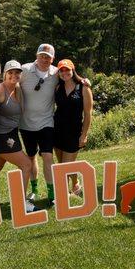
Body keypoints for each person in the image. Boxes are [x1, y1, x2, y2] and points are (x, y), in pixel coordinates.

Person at [0, 60, 38, 212]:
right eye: (10, 72)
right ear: (5, 74)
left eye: (17, 72)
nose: (14, 75)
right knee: (26, 165)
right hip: (2, 136)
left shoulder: (18, 88)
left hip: (12, 133)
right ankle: (20, 204)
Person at [19, 44, 60, 206]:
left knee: (48, 157)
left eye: (48, 57)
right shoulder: (25, 70)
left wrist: (84, 81)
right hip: (25, 123)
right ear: (36, 55)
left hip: (46, 122)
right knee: (31, 158)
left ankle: (52, 194)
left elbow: (71, 78)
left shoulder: (56, 73)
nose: (44, 59)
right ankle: (34, 191)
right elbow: (10, 83)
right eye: (42, 55)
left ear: (53, 59)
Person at [53, 59, 93, 195]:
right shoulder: (57, 87)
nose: (64, 73)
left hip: (74, 132)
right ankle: (75, 184)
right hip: (57, 130)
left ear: (72, 70)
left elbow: (88, 114)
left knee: (65, 166)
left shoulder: (83, 87)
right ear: (58, 73)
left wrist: (84, 134)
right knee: (63, 165)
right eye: (61, 70)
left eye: (67, 70)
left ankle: (62, 195)